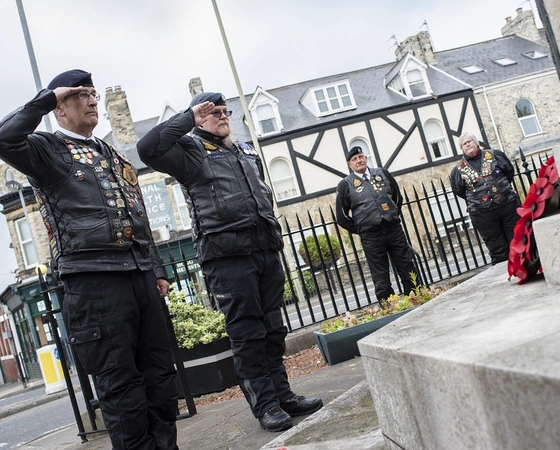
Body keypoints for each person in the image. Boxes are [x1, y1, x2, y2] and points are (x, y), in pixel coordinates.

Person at [0, 69, 178, 450]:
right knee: (120, 385)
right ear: (60, 108)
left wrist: (157, 268)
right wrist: (47, 97)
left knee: (161, 376)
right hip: (93, 280)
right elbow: (4, 138)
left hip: (139, 275)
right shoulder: (46, 149)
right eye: (80, 95)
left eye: (93, 94)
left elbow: (136, 213)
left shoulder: (110, 152)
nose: (92, 100)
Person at [136, 92, 323, 433]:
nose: (222, 116)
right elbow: (148, 148)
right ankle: (265, 405)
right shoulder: (189, 152)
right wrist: (188, 117)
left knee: (273, 329)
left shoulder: (242, 149)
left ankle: (283, 395)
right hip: (226, 256)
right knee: (247, 333)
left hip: (264, 248)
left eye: (225, 111)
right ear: (199, 118)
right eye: (213, 112)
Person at [335, 146, 419, 302]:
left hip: (393, 229)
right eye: (354, 159)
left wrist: (393, 216)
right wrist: (361, 228)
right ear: (349, 165)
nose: (359, 161)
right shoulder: (345, 185)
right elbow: (342, 217)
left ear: (366, 158)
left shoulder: (382, 173)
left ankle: (416, 298)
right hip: (371, 236)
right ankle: (389, 307)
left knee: (407, 266)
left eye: (361, 157)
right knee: (380, 277)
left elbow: (397, 198)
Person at [450, 132, 520, 265]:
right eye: (464, 144)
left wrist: (502, 189)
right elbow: (458, 190)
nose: (468, 144)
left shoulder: (495, 155)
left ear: (476, 143)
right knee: (497, 250)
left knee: (518, 240)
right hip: (483, 215)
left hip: (507, 206)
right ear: (462, 149)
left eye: (470, 141)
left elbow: (509, 172)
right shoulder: (458, 169)